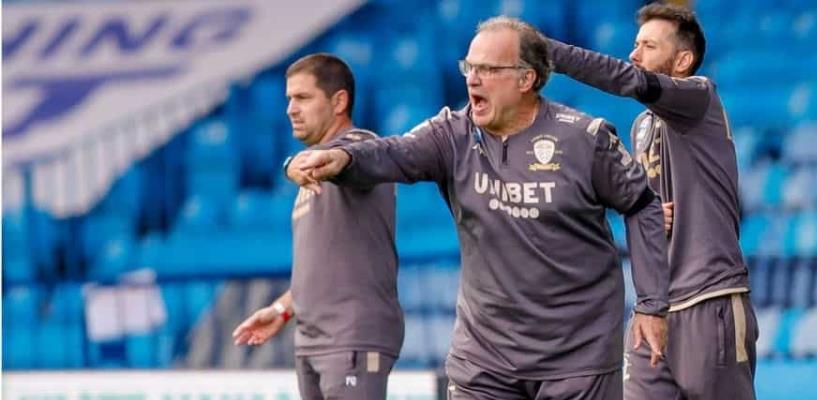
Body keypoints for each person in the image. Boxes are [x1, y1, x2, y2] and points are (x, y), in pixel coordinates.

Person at [288, 17, 669, 399]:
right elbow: (392, 152)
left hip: (577, 360)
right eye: (469, 67)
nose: (473, 79)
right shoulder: (451, 134)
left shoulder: (584, 138)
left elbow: (643, 206)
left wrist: (651, 305)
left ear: (526, 79)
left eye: (488, 69)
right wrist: (343, 157)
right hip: (485, 362)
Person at [546, 3, 758, 399]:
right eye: (635, 44)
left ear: (682, 60)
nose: (634, 54)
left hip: (707, 299)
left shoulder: (700, 97)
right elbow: (637, 201)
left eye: (648, 46)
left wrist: (547, 52)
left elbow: (626, 80)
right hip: (653, 309)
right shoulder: (642, 125)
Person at [231, 53, 403, 400]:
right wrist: (281, 309)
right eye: (289, 99)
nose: (290, 109)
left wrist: (290, 163)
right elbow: (325, 265)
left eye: (303, 97)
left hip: (352, 335)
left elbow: (340, 160)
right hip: (311, 342)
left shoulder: (362, 147)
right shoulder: (309, 178)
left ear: (339, 102)